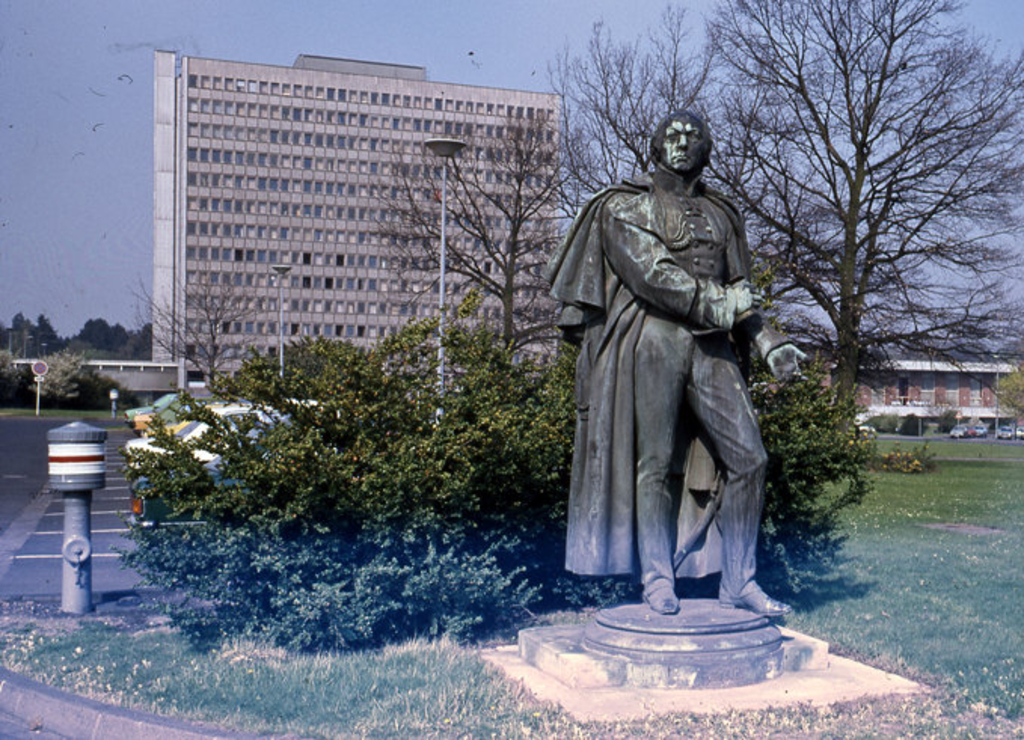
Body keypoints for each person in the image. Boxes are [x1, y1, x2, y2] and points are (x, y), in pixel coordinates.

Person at [546, 110, 804, 616]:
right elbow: (653, 275)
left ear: (706, 149)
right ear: (657, 145)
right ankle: (657, 579)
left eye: (693, 137)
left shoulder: (723, 214)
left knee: (750, 459)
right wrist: (721, 306)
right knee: (656, 464)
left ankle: (739, 582)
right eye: (672, 136)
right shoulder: (623, 206)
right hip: (654, 338)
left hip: (713, 346)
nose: (682, 143)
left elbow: (739, 292)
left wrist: (768, 341)